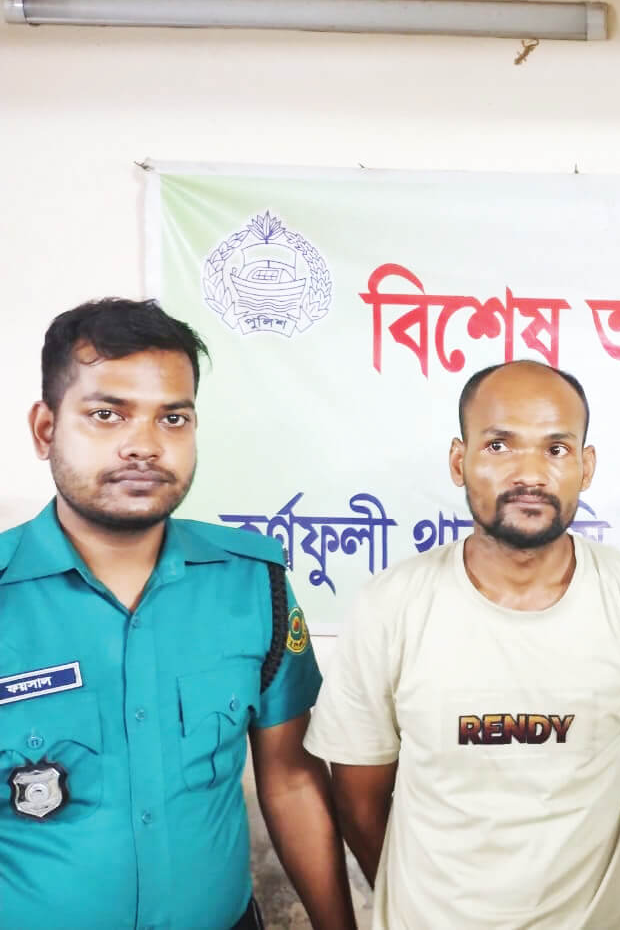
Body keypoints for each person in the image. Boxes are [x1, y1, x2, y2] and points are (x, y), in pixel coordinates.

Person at [304, 359, 620, 929]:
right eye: (499, 446)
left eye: (556, 449)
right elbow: (360, 804)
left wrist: (601, 888)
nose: (530, 474)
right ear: (459, 461)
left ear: (586, 467)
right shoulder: (389, 606)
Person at [0, 299, 354, 930]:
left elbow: (290, 781)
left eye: (173, 417)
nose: (144, 445)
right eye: (107, 414)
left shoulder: (252, 584)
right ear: (46, 429)